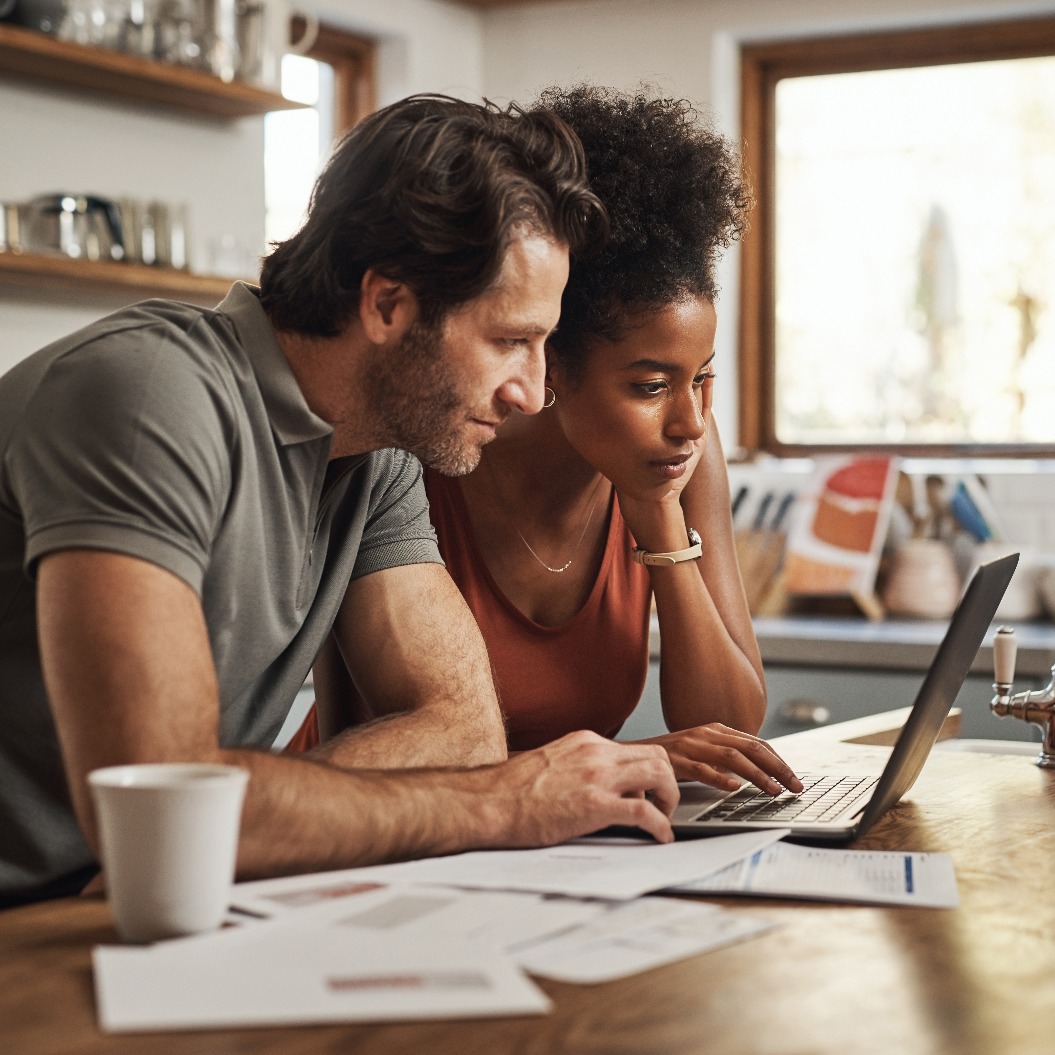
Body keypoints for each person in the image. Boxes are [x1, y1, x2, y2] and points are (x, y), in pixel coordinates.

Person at [0, 93, 681, 910]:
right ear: (387, 304)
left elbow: (464, 733)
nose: (532, 393)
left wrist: (236, 819)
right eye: (509, 340)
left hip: (145, 904)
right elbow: (164, 809)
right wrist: (507, 802)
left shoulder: (374, 453)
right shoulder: (147, 396)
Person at [296, 85, 802, 799]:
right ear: (550, 362)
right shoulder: (425, 446)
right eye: (650, 386)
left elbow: (729, 727)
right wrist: (629, 757)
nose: (690, 421)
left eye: (703, 379)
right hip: (376, 824)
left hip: (555, 837)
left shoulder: (678, 456)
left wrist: (657, 518)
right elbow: (382, 737)